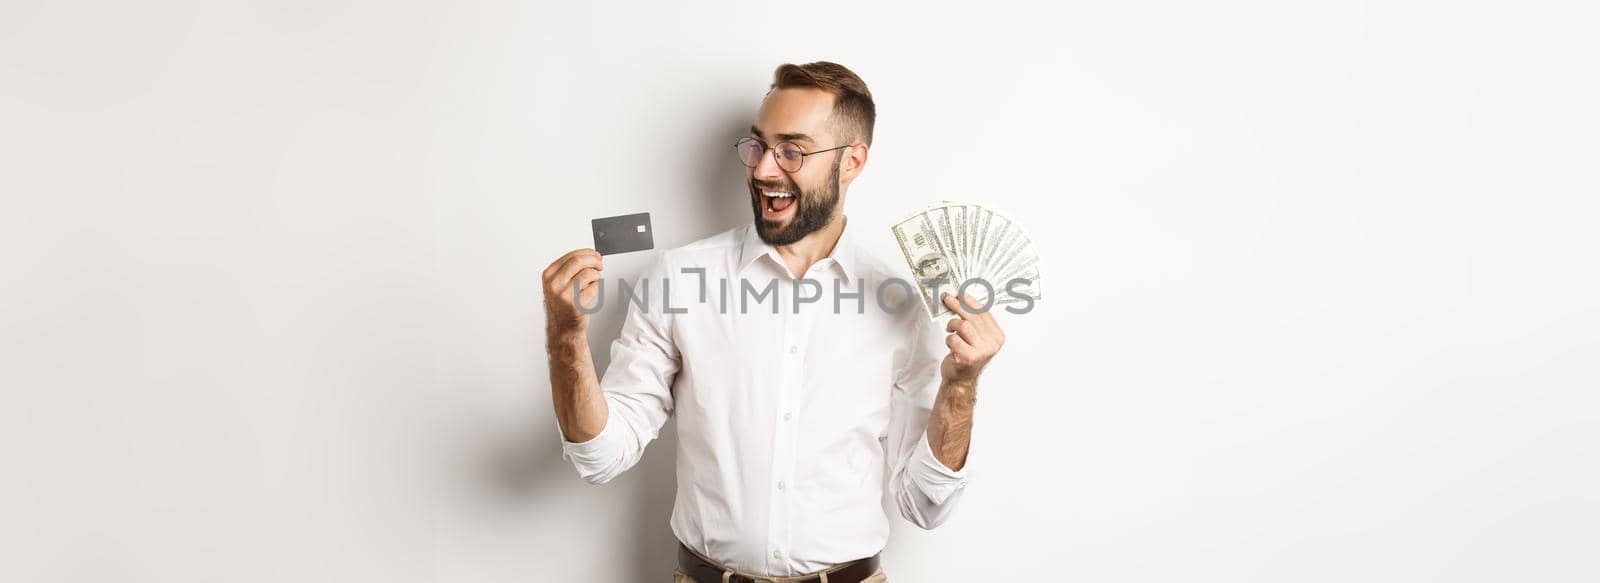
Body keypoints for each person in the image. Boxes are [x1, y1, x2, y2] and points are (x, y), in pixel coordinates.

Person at [540, 61, 1006, 583]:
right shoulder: (677, 278)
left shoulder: (901, 304)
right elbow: (600, 458)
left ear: (852, 161)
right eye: (758, 145)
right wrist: (565, 339)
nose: (763, 169)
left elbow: (926, 504)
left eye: (793, 150)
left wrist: (961, 386)